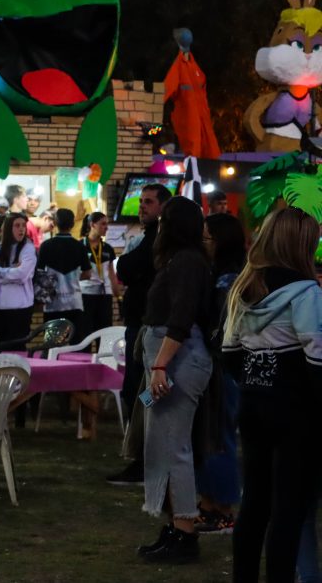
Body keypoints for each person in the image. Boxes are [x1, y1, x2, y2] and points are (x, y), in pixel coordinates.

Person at [221, 208, 322, 583]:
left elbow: (229, 353)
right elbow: (317, 360)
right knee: (289, 510)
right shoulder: (307, 293)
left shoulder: (245, 288)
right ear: (302, 245)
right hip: (296, 412)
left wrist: (256, 380)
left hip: (253, 405)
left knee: (254, 504)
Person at [136, 196, 213, 563]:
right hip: (172, 360)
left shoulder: (185, 261)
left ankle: (184, 532)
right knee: (164, 444)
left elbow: (180, 319)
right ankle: (175, 526)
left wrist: (160, 366)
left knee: (174, 447)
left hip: (177, 361)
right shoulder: (183, 260)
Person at [107, 183, 172, 486]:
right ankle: (143, 455)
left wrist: (128, 266)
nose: (142, 206)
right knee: (135, 391)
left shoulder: (160, 241)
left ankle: (147, 458)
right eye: (141, 201)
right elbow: (125, 269)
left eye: (149, 202)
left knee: (143, 394)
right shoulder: (150, 238)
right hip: (140, 326)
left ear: (163, 207)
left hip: (151, 329)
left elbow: (128, 267)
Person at [193, 212, 246, 536]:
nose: (203, 243)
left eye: (207, 238)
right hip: (216, 366)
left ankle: (224, 510)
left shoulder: (229, 281)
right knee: (208, 437)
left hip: (223, 368)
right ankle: (209, 505)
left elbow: (223, 329)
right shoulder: (222, 276)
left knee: (219, 438)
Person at [36, 209, 91, 341]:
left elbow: (39, 273)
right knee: (76, 344)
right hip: (74, 302)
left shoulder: (46, 246)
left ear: (55, 223)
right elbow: (88, 274)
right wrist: (73, 278)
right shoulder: (79, 246)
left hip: (52, 303)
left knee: (51, 344)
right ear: (72, 224)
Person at [0, 212, 36, 345]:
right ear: (8, 228)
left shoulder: (28, 248)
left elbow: (22, 275)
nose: (21, 229)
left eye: (23, 225)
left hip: (20, 310)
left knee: (17, 350)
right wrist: (13, 273)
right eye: (17, 225)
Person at [79, 212, 121, 334]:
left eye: (107, 224)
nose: (106, 227)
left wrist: (118, 296)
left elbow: (111, 273)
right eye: (103, 224)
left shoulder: (108, 248)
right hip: (85, 294)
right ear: (92, 225)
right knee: (85, 332)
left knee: (104, 333)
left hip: (104, 296)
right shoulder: (79, 246)